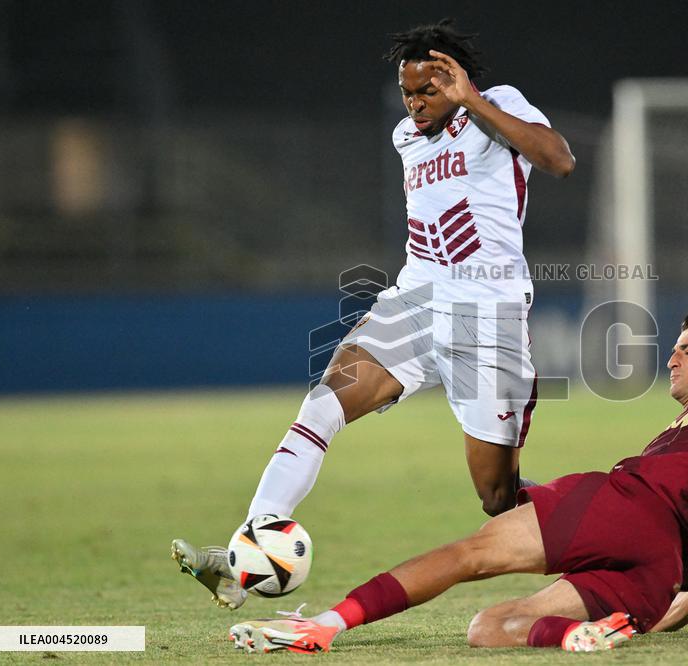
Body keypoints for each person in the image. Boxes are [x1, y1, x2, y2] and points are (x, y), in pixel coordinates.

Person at [223, 256, 688, 654]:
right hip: (654, 570)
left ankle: (324, 625)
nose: (673, 357)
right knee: (490, 628)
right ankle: (575, 640)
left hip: (622, 508)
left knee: (469, 555)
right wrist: (642, 619)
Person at [170, 19, 575, 611]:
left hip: (487, 316)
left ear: (455, 79)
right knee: (322, 405)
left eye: (427, 91)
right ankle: (249, 547)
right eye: (408, 92)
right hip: (413, 301)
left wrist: (473, 101)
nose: (415, 105)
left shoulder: (499, 107)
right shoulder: (406, 138)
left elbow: (559, 159)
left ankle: (605, 533)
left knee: (496, 496)